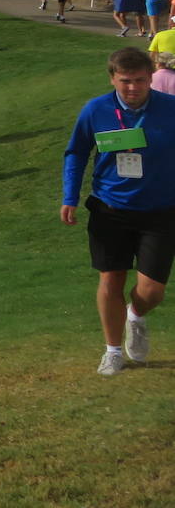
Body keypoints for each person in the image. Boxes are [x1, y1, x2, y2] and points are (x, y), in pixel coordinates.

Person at [61, 47, 175, 376]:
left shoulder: (170, 109)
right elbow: (76, 152)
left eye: (140, 80)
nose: (133, 88)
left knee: (153, 290)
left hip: (162, 211)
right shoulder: (96, 110)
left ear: (151, 78)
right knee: (110, 280)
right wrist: (70, 196)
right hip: (111, 209)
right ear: (112, 78)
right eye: (125, 81)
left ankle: (135, 316)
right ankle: (112, 350)